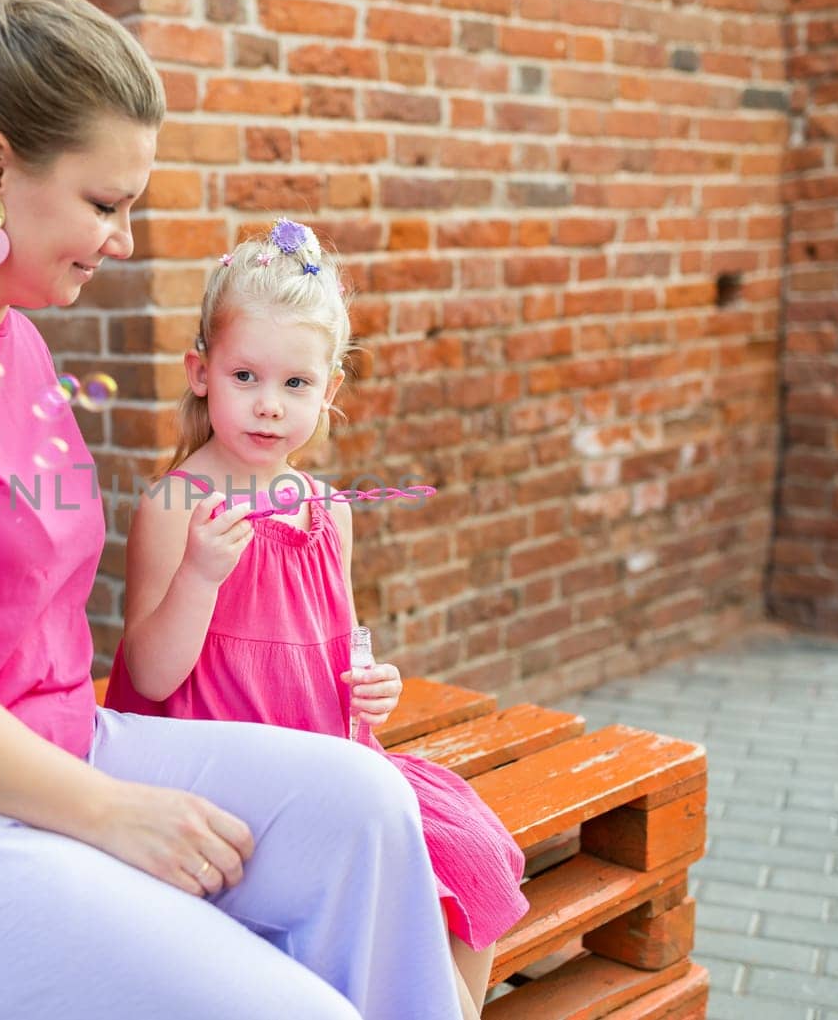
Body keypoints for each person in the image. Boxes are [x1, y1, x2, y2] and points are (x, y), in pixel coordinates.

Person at [0, 0, 466, 1019]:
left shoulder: (10, 338)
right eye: (106, 204)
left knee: (366, 806)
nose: (126, 243)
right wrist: (110, 814)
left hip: (48, 754)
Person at [103, 219, 530, 1019]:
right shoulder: (177, 504)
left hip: (332, 747)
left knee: (470, 853)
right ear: (201, 373)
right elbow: (152, 674)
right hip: (226, 765)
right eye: (246, 376)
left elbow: (345, 643)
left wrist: (372, 685)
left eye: (296, 385)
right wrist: (199, 574)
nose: (270, 406)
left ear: (328, 391)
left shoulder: (328, 511)